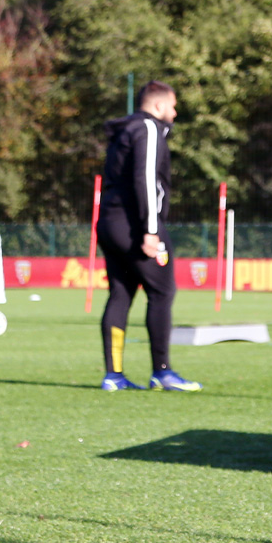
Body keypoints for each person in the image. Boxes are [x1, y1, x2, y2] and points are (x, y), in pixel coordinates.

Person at [97, 81, 201, 391]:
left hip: (110, 222)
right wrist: (151, 231)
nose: (175, 112)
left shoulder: (124, 130)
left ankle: (113, 376)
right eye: (172, 105)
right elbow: (145, 178)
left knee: (120, 293)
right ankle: (163, 372)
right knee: (162, 292)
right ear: (158, 106)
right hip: (135, 225)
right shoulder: (148, 129)